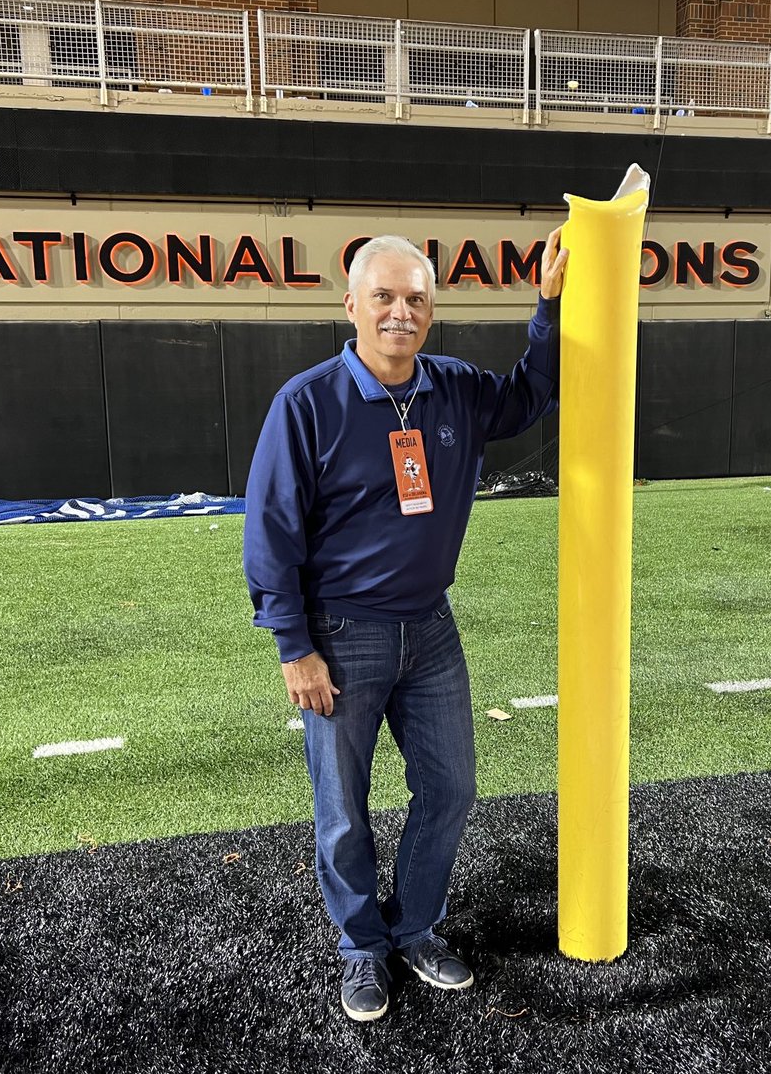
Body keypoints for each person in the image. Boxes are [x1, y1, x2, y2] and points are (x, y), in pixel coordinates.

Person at [243, 231, 568, 1022]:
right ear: (351, 304)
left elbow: (530, 395)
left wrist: (550, 307)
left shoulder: (455, 388)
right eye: (384, 296)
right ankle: (362, 948)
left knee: (452, 788)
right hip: (341, 636)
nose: (401, 311)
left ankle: (415, 927)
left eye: (416, 298)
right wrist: (296, 648)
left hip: (430, 632)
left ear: (432, 310)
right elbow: (271, 534)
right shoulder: (307, 403)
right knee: (344, 809)